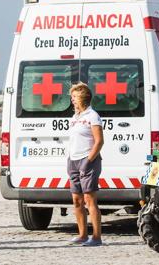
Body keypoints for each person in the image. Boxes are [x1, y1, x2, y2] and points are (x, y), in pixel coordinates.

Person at [66, 82, 104, 246]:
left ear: (82, 98)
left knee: (89, 199)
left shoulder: (92, 116)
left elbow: (99, 141)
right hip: (73, 160)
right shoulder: (75, 118)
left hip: (88, 160)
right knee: (76, 200)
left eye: (74, 97)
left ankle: (96, 237)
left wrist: (88, 161)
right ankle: (82, 234)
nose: (72, 100)